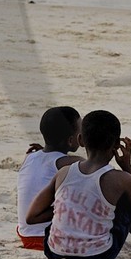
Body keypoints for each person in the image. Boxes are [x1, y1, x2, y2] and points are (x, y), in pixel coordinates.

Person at [25, 109, 131, 259]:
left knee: (124, 189)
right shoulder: (120, 180)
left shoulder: (63, 173)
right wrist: (128, 169)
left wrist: (73, 210)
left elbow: (31, 217)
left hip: (54, 252)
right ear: (116, 145)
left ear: (81, 140)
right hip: (97, 256)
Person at [16, 106, 82, 249]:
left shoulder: (30, 157)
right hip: (49, 238)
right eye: (80, 131)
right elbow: (95, 165)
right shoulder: (68, 162)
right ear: (71, 140)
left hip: (26, 235)